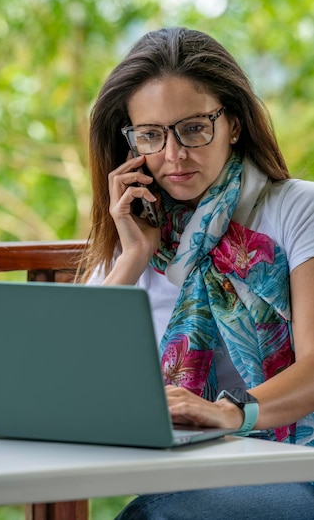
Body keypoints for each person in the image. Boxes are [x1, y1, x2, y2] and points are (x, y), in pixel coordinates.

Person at [80, 26, 314, 519]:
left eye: (193, 128)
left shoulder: (295, 209)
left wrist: (230, 412)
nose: (173, 155)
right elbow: (70, 377)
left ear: (234, 123)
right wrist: (131, 261)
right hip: (184, 469)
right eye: (151, 134)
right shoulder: (135, 234)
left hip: (296, 464)